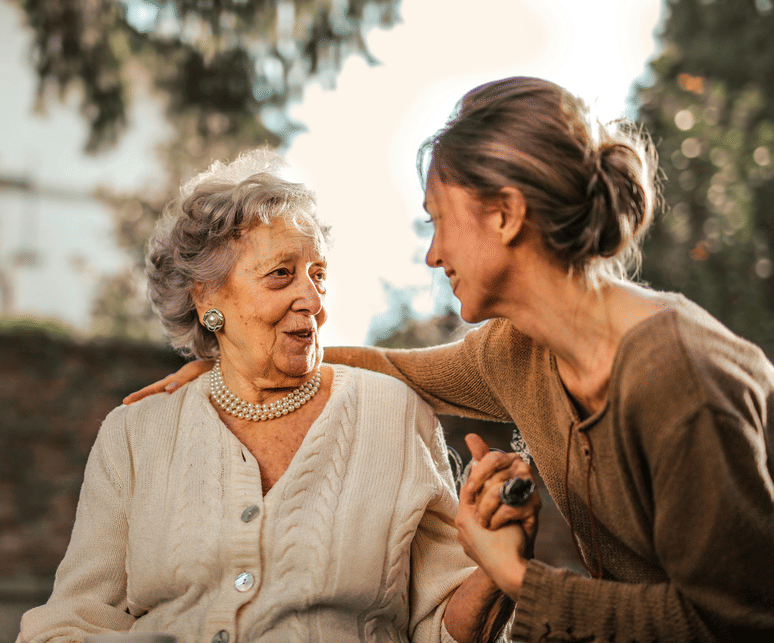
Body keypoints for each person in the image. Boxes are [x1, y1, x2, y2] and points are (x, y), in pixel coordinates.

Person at [125, 78, 774, 642]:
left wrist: (516, 575)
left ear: (506, 214)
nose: (433, 254)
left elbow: (735, 622)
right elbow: (393, 367)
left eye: (439, 220)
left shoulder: (677, 376)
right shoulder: (518, 351)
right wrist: (238, 363)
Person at [18, 151, 533, 643]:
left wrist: (494, 571)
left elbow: (443, 629)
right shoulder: (135, 434)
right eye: (281, 274)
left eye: (319, 275)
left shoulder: (394, 415)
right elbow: (73, 618)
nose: (312, 300)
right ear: (207, 297)